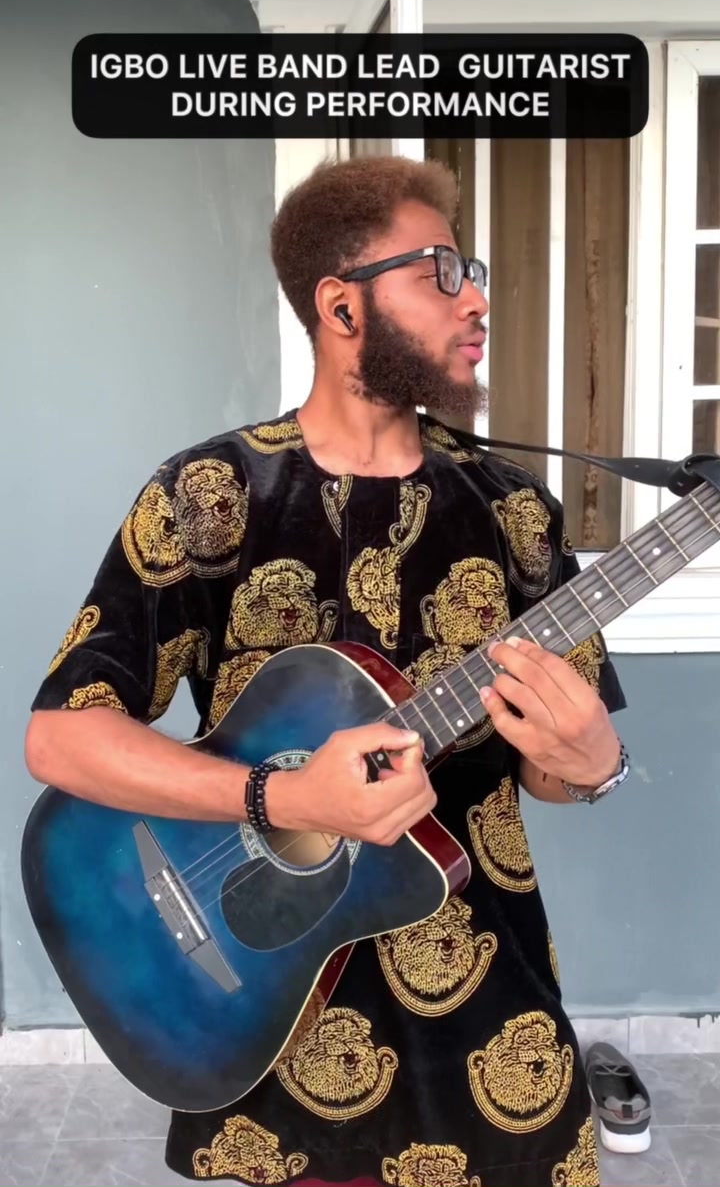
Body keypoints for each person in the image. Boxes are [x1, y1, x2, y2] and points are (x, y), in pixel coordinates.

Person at [25, 153, 629, 1187]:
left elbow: (550, 770)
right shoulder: (211, 493)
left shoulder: (516, 510)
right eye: (442, 272)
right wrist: (284, 796)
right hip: (267, 1016)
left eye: (473, 272)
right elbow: (62, 737)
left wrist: (594, 762)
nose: (477, 299)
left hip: (490, 1021)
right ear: (341, 306)